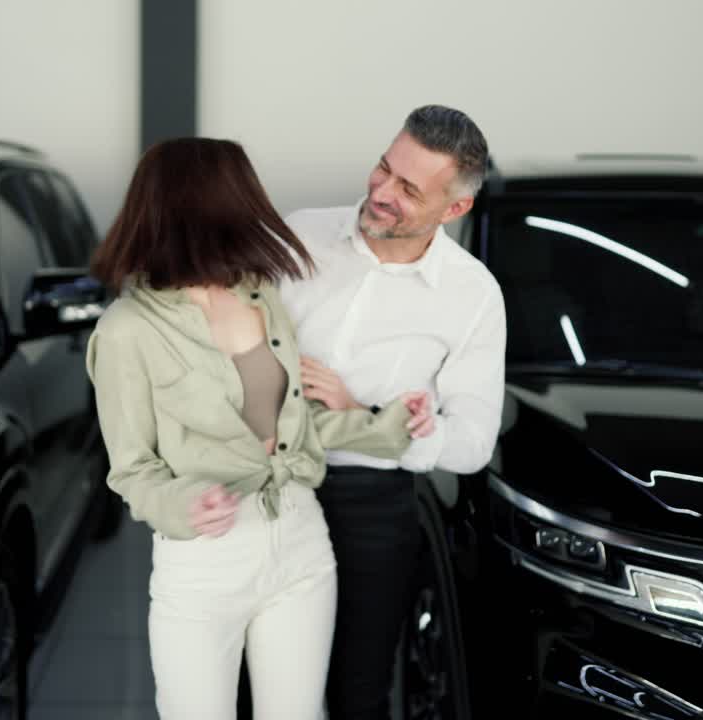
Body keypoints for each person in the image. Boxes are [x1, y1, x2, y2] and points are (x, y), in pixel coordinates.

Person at [85, 137, 436, 720]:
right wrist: (184, 501)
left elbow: (298, 427)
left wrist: (392, 424)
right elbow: (132, 470)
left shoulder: (262, 298)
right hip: (204, 560)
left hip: (300, 544)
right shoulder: (127, 330)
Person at [279, 105, 507, 719]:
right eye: (383, 168)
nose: (380, 192)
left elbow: (471, 443)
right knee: (260, 684)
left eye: (408, 189)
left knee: (358, 691)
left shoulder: (474, 296)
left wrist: (367, 417)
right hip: (269, 485)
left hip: (371, 501)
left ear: (454, 209)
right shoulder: (300, 233)